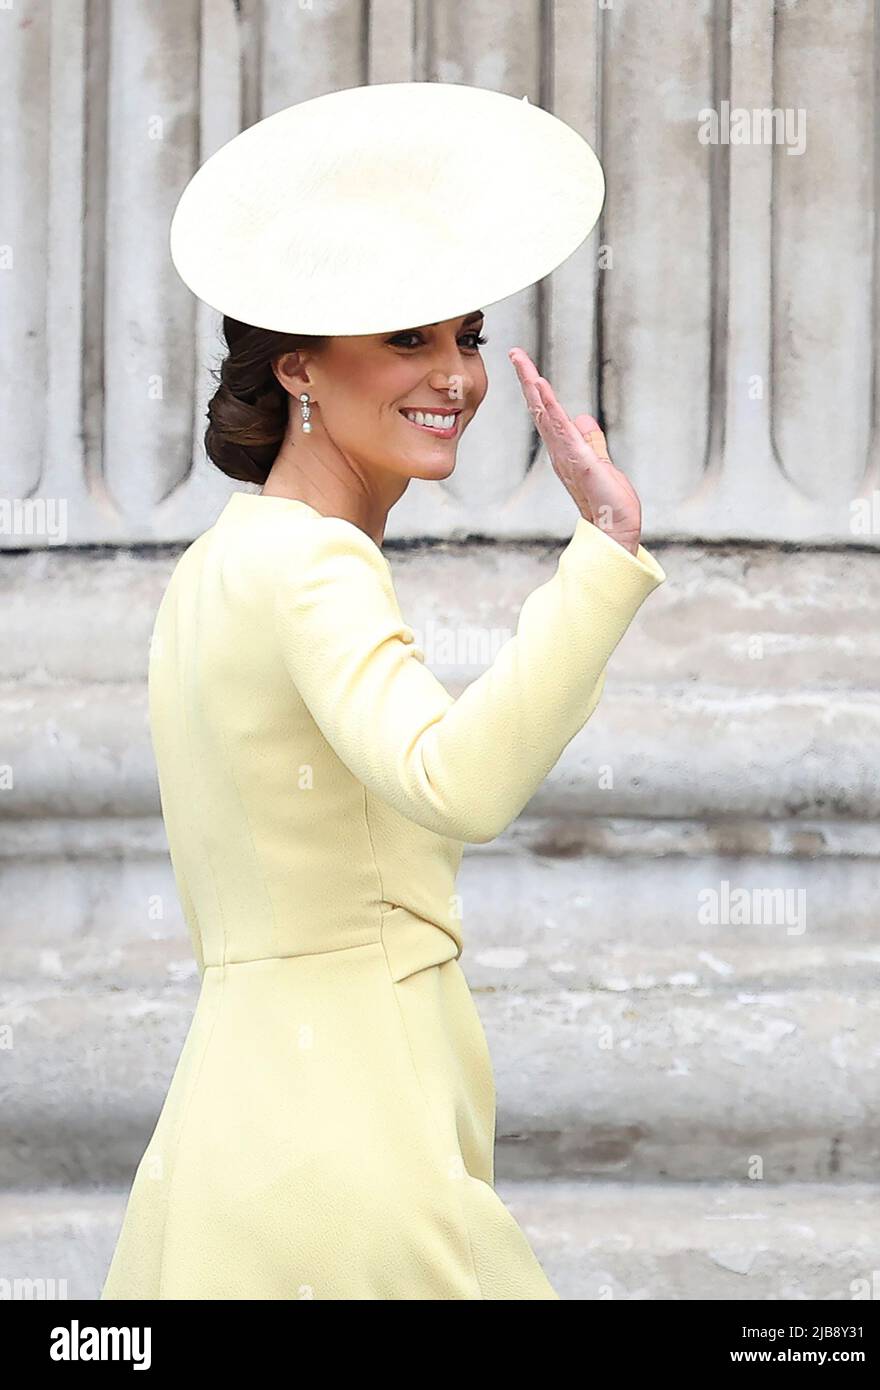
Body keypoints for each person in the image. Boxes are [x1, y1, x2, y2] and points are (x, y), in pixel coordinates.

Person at [100, 82, 666, 1300]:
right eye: (407, 338)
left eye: (462, 335)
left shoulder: (220, 563)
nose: (454, 375)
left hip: (222, 1144)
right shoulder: (312, 561)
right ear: (300, 365)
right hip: (355, 1144)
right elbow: (454, 782)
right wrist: (605, 550)